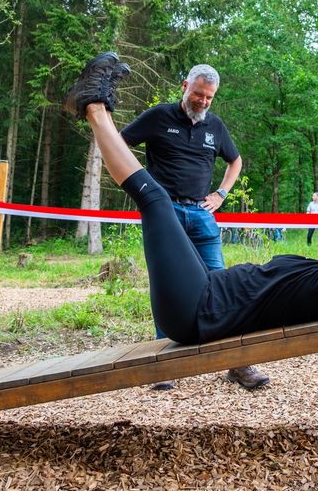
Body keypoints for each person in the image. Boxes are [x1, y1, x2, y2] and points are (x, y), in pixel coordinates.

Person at [62, 53, 318, 347]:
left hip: (197, 310)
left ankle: (93, 106)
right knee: (158, 199)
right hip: (204, 293)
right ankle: (98, 103)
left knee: (154, 198)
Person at [85, 59, 267, 390]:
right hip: (165, 214)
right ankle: (164, 366)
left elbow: (235, 160)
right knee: (166, 285)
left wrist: (222, 193)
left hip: (201, 214)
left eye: (209, 97)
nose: (203, 102)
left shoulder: (215, 126)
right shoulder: (159, 116)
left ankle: (237, 364)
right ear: (185, 87)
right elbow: (118, 145)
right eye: (199, 94)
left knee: (221, 285)